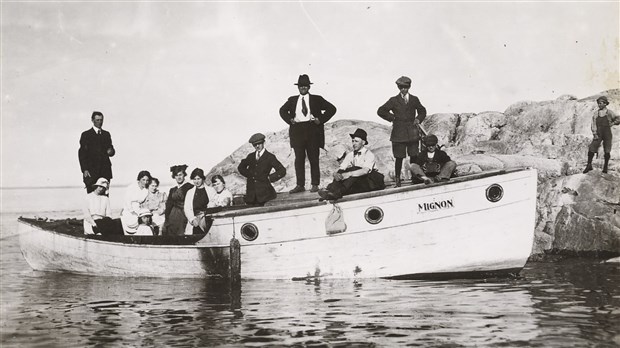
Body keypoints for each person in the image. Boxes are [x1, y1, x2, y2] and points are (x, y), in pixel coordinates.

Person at [279, 74, 337, 193]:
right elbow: (282, 110)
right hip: (297, 131)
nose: (303, 88)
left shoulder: (317, 99)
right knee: (299, 159)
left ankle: (315, 184)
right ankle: (300, 185)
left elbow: (332, 108)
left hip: (312, 131)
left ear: (309, 87)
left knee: (313, 159)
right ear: (298, 87)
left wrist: (319, 120)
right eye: (301, 86)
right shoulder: (292, 100)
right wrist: (290, 119)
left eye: (305, 86)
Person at [377, 76, 427, 187]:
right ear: (398, 87)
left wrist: (418, 119)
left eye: (406, 87)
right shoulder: (393, 100)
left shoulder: (414, 99)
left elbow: (422, 110)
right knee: (399, 158)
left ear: (409, 87)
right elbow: (381, 111)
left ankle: (416, 178)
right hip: (398, 134)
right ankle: (398, 181)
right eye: (401, 87)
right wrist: (392, 118)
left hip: (412, 133)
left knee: (414, 156)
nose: (404, 89)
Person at [318, 128, 385, 200]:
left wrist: (349, 174)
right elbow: (342, 168)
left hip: (372, 182)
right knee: (342, 172)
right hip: (359, 182)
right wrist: (336, 174)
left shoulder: (369, 154)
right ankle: (331, 191)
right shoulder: (351, 154)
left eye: (356, 141)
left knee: (355, 169)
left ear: (363, 142)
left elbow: (365, 171)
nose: (353, 144)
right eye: (352, 141)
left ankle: (337, 192)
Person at [237, 133, 286, 206]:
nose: (257, 146)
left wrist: (269, 178)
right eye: (255, 145)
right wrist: (250, 175)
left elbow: (282, 171)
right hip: (251, 195)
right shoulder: (250, 156)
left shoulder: (270, 157)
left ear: (264, 142)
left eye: (259, 144)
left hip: (265, 195)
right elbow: (240, 167)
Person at [78, 111, 116, 193]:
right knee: (92, 197)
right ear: (92, 120)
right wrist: (85, 169)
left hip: (105, 171)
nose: (100, 122)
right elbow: (82, 153)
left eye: (101, 120)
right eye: (97, 120)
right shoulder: (86, 135)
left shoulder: (106, 134)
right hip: (91, 172)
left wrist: (111, 151)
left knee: (105, 197)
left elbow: (111, 149)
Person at [583, 96, 620, 174]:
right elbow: (593, 124)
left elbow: (618, 118)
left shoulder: (609, 112)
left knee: (607, 150)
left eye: (601, 103)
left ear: (605, 104)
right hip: (598, 133)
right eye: (598, 103)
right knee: (592, 148)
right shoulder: (596, 113)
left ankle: (605, 167)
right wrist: (594, 133)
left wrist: (613, 123)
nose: (599, 105)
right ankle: (589, 165)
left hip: (607, 133)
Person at [184, 168, 217, 235]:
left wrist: (204, 215)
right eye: (194, 179)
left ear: (202, 179)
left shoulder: (211, 190)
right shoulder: (190, 192)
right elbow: (187, 208)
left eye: (198, 179)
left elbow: (214, 203)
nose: (196, 181)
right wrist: (192, 219)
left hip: (208, 222)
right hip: (195, 223)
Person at [163, 165, 194, 236]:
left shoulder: (190, 187)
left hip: (184, 214)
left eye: (180, 175)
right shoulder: (172, 190)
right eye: (176, 175)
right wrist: (166, 219)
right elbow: (168, 205)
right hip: (172, 216)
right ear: (174, 177)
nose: (179, 177)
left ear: (184, 175)